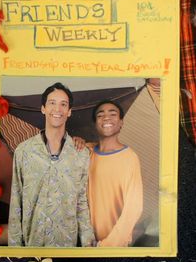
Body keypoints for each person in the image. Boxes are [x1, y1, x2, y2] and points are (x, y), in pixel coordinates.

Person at [8, 82, 95, 247]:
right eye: (52, 103)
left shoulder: (81, 154)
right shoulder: (24, 151)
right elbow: (16, 201)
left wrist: (88, 245)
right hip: (32, 245)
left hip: (67, 247)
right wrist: (15, 249)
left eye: (63, 104)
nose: (57, 109)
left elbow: (81, 202)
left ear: (69, 111)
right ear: (43, 108)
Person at [88, 100, 143, 247]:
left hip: (114, 244)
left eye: (113, 114)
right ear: (95, 123)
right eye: (100, 115)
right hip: (86, 242)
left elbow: (134, 208)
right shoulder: (87, 153)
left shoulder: (129, 157)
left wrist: (107, 244)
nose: (106, 117)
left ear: (121, 123)